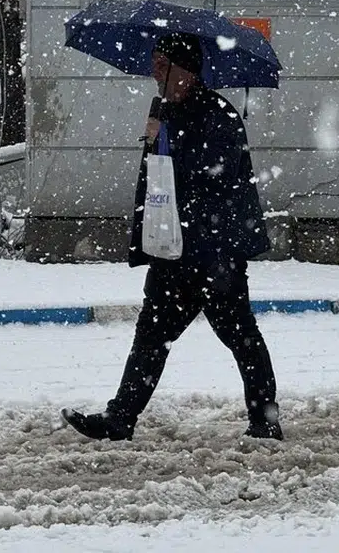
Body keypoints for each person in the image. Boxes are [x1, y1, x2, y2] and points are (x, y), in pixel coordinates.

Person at [62, 32, 282, 441]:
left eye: (163, 64)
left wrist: (165, 143)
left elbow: (210, 182)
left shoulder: (219, 115)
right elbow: (160, 184)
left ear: (186, 71)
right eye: (155, 63)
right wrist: (155, 139)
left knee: (242, 337)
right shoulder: (165, 112)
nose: (155, 71)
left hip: (215, 254)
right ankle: (120, 419)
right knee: (151, 335)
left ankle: (264, 421)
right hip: (173, 250)